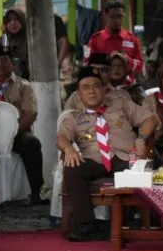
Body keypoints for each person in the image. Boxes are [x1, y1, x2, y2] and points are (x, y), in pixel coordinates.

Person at [58, 67, 157, 241]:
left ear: (104, 90)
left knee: (146, 168)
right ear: (79, 93)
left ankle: (143, 222)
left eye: (96, 86)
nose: (91, 91)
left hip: (125, 157)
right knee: (73, 169)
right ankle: (87, 225)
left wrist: (141, 138)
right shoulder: (73, 116)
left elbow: (150, 119)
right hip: (93, 160)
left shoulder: (120, 104)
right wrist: (68, 149)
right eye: (86, 87)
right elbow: (61, 138)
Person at [0, 45, 45, 204]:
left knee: (32, 144)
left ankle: (35, 192)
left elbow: (30, 113)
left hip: (17, 133)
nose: (0, 64)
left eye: (4, 61)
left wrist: (11, 133)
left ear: (12, 64)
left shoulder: (24, 86)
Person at [87, 0, 144, 78]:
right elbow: (88, 65)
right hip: (103, 86)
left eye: (119, 16)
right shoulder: (95, 40)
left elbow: (140, 67)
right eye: (113, 17)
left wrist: (126, 60)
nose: (117, 20)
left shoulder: (132, 40)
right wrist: (108, 60)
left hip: (128, 87)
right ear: (105, 17)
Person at [0, 8, 31, 79]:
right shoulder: (0, 42)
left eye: (16, 19)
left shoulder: (31, 41)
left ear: (22, 21)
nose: (12, 23)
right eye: (9, 20)